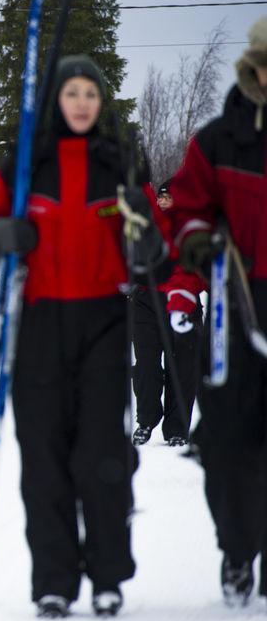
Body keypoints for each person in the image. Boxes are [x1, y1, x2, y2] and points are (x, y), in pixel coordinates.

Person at [0, 55, 171, 618]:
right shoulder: (27, 164)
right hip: (39, 327)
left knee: (102, 455)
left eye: (91, 94)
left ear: (101, 104)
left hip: (104, 321)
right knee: (46, 457)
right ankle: (53, 579)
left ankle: (107, 574)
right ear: (57, 100)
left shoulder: (119, 164)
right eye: (72, 92)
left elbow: (155, 253)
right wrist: (3, 233)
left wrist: (144, 232)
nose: (81, 102)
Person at [167, 16, 267, 608]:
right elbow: (186, 208)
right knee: (229, 442)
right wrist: (197, 242)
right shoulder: (218, 140)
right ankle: (237, 548)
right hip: (238, 301)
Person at [131, 183, 206, 447]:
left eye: (170, 197)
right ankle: (145, 420)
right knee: (147, 364)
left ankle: (177, 428)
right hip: (146, 301)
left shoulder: (193, 229)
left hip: (184, 302)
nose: (164, 201)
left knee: (183, 368)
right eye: (161, 196)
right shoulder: (148, 224)